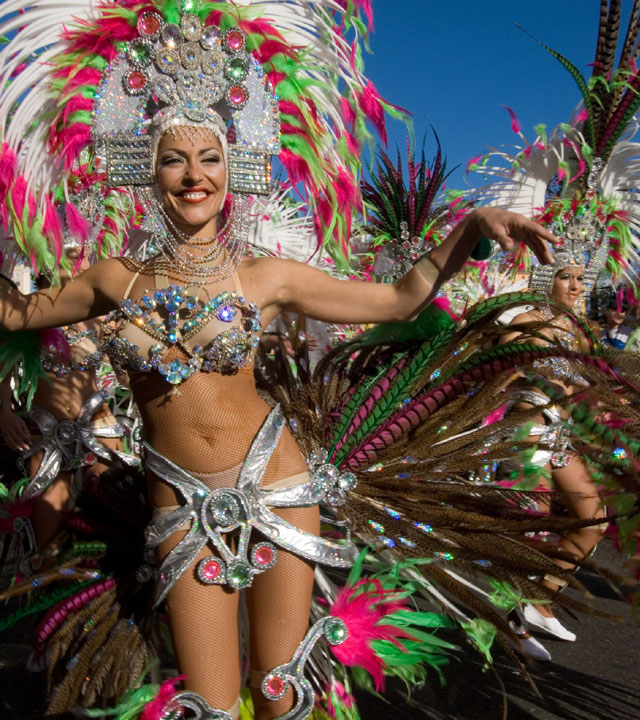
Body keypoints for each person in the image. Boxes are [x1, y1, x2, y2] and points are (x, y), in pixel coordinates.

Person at [1, 4, 637, 720]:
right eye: (173, 158)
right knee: (209, 705)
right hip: (177, 501)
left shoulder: (266, 277)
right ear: (143, 167)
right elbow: (15, 314)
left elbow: (397, 298)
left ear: (234, 166)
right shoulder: (113, 280)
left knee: (281, 694)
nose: (192, 175)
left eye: (208, 157)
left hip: (278, 483)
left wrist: (469, 232)